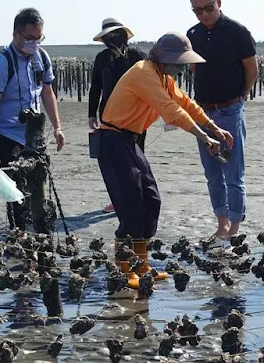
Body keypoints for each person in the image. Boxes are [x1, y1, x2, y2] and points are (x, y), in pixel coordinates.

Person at [96, 32, 233, 289]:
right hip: (112, 141)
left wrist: (214, 128)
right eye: (179, 63)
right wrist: (204, 137)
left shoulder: (164, 77)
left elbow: (187, 104)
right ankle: (126, 270)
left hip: (129, 141)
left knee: (151, 200)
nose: (181, 68)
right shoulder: (144, 72)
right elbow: (171, 111)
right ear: (164, 58)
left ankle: (142, 264)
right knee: (131, 206)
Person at [186, 0, 258, 240]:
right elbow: (195, 69)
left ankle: (236, 228)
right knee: (212, 173)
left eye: (208, 8)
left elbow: (252, 69)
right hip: (203, 113)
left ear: (219, 2)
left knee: (233, 172)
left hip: (230, 109)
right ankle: (222, 224)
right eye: (197, 10)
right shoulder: (192, 34)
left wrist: (240, 97)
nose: (204, 15)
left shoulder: (238, 32)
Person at [0, 7, 65, 232]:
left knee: (39, 188)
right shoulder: (1, 63)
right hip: (7, 136)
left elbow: (47, 93)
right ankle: (20, 235)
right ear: (15, 34)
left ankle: (39, 233)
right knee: (17, 195)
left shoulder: (41, 57)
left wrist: (57, 127)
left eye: (39, 39)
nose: (34, 44)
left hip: (35, 137)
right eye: (30, 39)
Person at [88, 18, 147, 214]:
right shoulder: (102, 58)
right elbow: (96, 86)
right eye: (107, 36)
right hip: (108, 116)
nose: (111, 39)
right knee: (114, 159)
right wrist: (91, 113)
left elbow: (150, 82)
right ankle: (118, 198)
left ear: (123, 35)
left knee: (136, 156)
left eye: (115, 35)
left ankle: (138, 196)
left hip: (136, 116)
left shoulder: (137, 55)